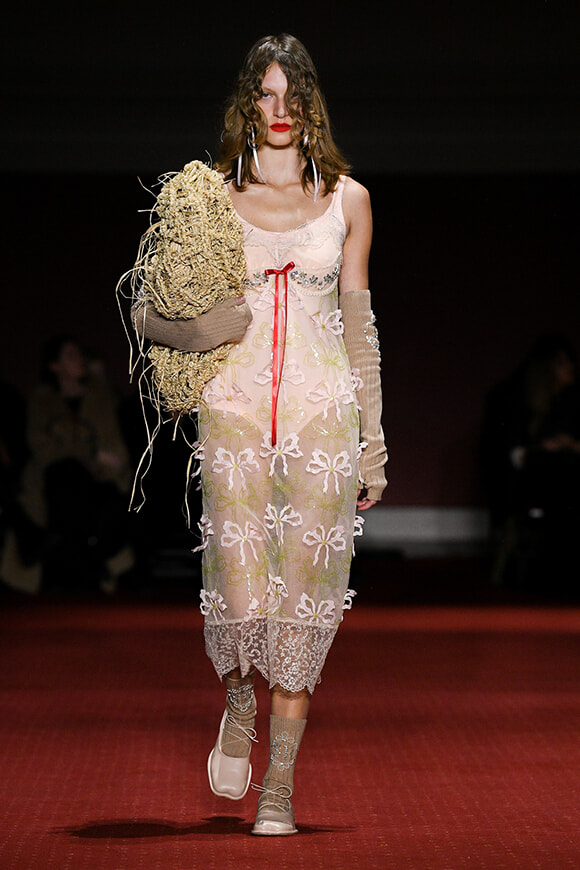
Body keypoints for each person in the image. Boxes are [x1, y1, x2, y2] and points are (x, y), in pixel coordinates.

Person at [133, 33, 387, 835]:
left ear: (312, 105)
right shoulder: (210, 197)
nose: (281, 110)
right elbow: (146, 313)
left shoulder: (348, 199)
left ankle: (279, 786)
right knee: (242, 594)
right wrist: (205, 328)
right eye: (266, 95)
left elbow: (359, 328)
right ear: (248, 104)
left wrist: (374, 444)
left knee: (304, 605)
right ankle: (239, 698)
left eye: (294, 95)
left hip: (323, 417)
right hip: (235, 414)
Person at [14, 336, 134, 594]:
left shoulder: (100, 398)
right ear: (54, 365)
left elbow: (115, 445)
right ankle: (73, 570)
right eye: (70, 355)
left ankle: (81, 568)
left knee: (100, 499)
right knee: (67, 479)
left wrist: (100, 463)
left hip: (99, 477)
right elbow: (39, 444)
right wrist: (80, 455)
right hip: (53, 477)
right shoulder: (43, 400)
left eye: (80, 354)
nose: (79, 360)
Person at [480, 332, 580, 589]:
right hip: (528, 480)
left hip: (562, 476)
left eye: (570, 361)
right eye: (561, 363)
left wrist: (569, 445)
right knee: (555, 466)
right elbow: (508, 455)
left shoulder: (570, 403)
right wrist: (543, 449)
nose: (569, 368)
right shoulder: (514, 401)